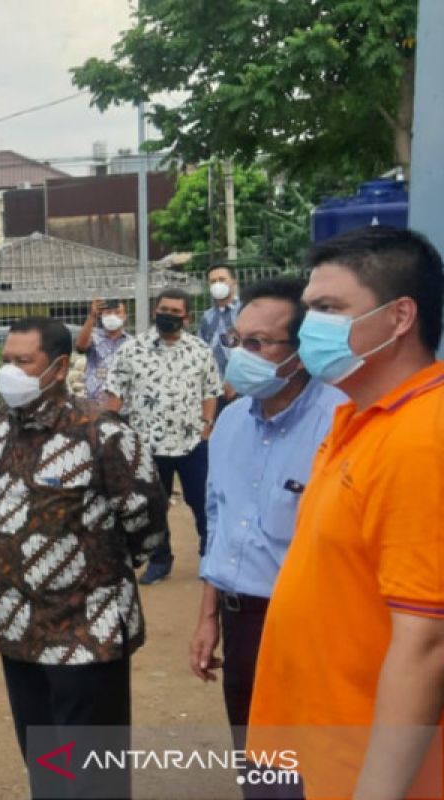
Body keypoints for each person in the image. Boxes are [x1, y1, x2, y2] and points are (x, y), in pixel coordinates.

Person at [248, 227, 444, 800]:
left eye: (329, 308)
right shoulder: (361, 419)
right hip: (322, 748)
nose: (310, 328)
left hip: (372, 772)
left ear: (400, 316)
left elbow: (427, 641)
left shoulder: (422, 437)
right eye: (309, 310)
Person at [0, 317, 167, 799]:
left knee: (94, 776)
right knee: (45, 764)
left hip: (88, 631)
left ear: (59, 368)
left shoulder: (102, 433)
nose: (10, 372)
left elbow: (145, 518)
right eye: (6, 360)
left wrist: (103, 573)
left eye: (24, 362)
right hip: (17, 626)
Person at [188, 278, 344, 798]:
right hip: (242, 621)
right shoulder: (230, 423)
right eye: (236, 341)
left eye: (258, 344)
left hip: (309, 625)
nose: (241, 355)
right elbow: (219, 521)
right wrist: (209, 616)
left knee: (310, 773)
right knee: (257, 768)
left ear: (299, 354)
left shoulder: (341, 423)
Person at [105, 288, 222, 585]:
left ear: (187, 316)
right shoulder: (133, 349)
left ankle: (210, 554)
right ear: (155, 311)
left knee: (202, 501)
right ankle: (160, 560)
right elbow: (115, 390)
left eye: (174, 312)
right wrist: (110, 429)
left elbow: (210, 390)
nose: (167, 316)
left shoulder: (199, 350)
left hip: (192, 442)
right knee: (154, 505)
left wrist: (207, 425)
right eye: (163, 310)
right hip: (149, 443)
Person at [75, 297, 132, 404]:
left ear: (124, 317)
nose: (112, 316)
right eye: (108, 312)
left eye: (117, 312)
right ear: (101, 316)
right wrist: (92, 316)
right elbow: (80, 346)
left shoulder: (132, 343)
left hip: (123, 406)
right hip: (94, 404)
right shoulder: (93, 338)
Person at [199, 264, 241, 410]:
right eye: (213, 281)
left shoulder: (246, 310)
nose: (217, 284)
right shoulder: (207, 317)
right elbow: (203, 352)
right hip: (216, 391)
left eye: (222, 279)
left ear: (234, 282)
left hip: (243, 388)